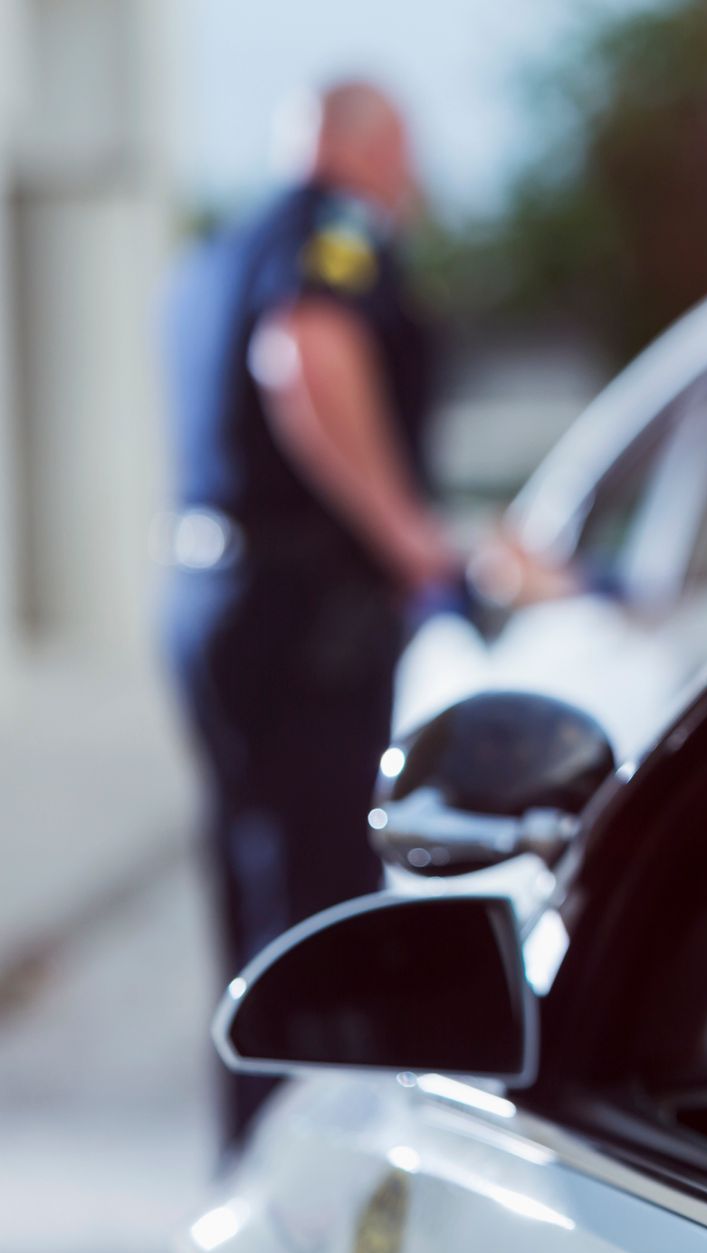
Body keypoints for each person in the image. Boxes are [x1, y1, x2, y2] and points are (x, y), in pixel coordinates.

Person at [161, 79, 456, 1147]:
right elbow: (306, 351)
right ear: (366, 145)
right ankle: (312, 1176)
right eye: (406, 150)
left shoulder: (219, 249)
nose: (413, 178)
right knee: (321, 909)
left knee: (253, 895)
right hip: (303, 615)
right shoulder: (334, 229)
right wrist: (409, 535)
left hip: (209, 594)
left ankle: (252, 1148)